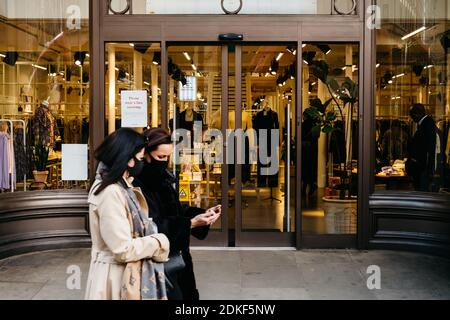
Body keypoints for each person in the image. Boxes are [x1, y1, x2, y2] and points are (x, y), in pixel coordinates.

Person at [134, 128, 221, 300]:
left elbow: (176, 211)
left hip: (179, 258)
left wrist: (203, 215)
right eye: (160, 157)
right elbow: (151, 226)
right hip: (158, 263)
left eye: (168, 157)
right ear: (146, 155)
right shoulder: (137, 185)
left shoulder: (163, 179)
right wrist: (190, 223)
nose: (164, 162)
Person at [85, 128, 170, 300]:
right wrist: (159, 241)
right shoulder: (111, 192)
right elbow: (122, 249)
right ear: (128, 159)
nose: (141, 164)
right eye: (139, 158)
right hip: (114, 279)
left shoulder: (119, 186)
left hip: (118, 274)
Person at [406, 104, 438, 192]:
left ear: (417, 114)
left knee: (422, 192)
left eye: (412, 114)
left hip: (423, 168)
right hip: (422, 167)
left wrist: (429, 169)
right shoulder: (425, 124)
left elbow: (430, 148)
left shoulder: (427, 124)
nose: (411, 117)